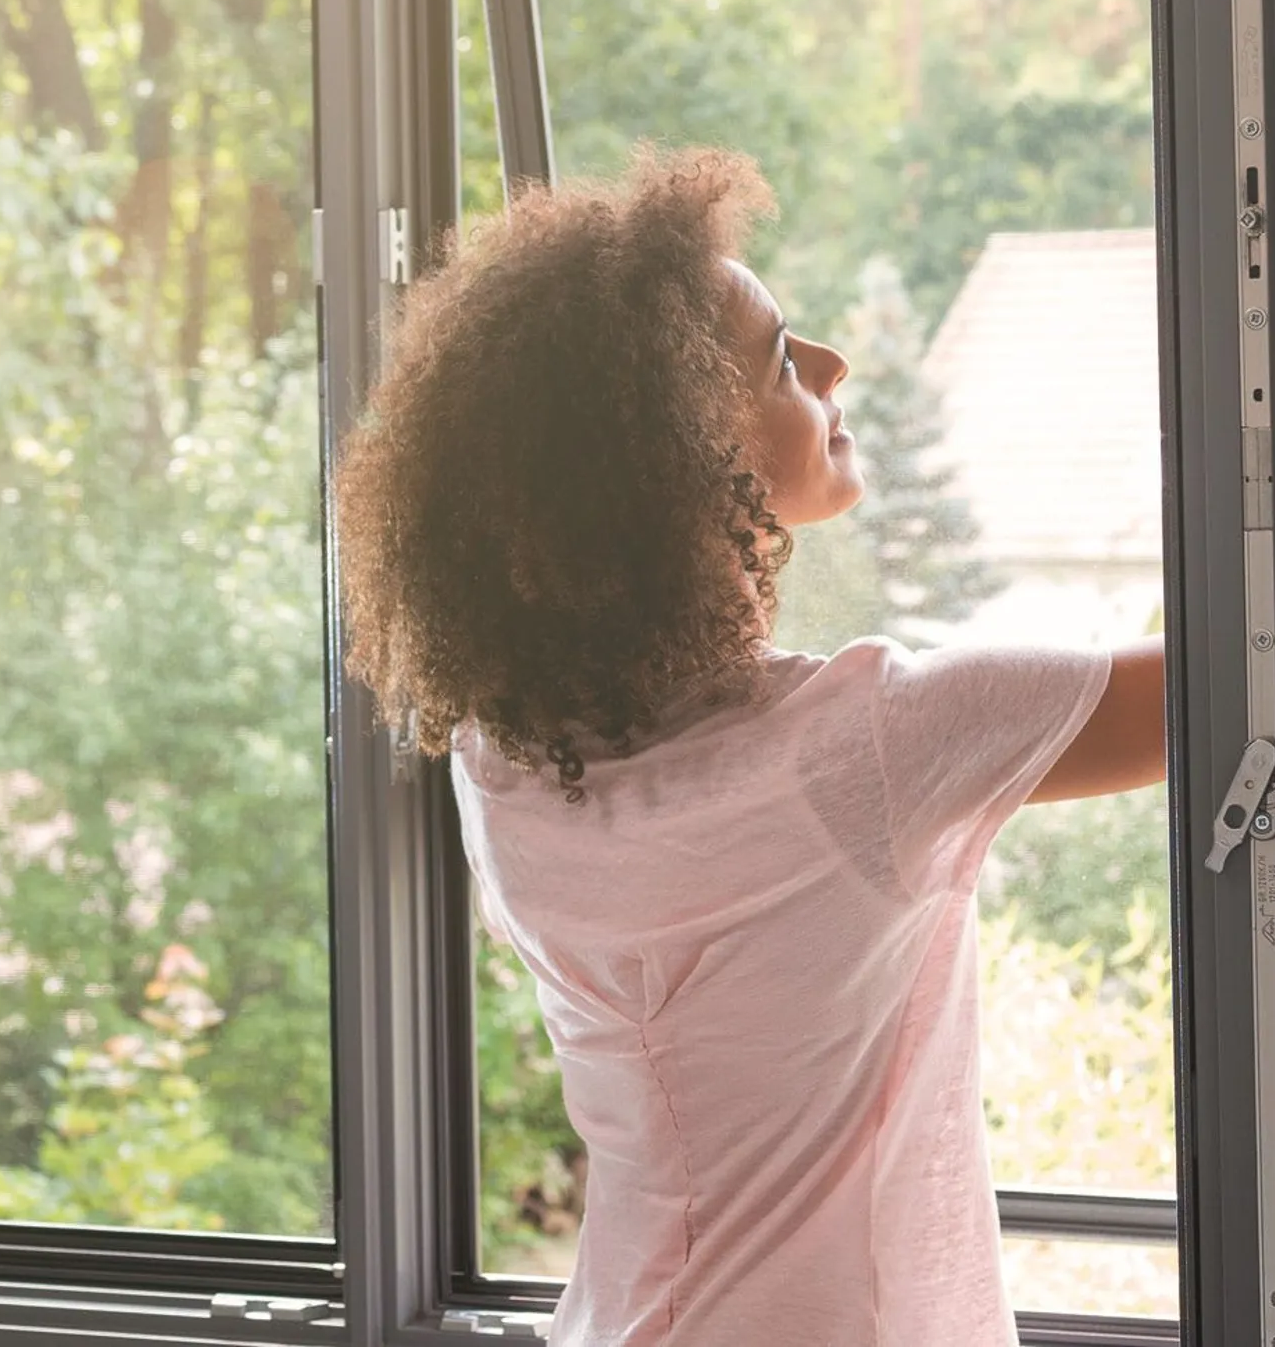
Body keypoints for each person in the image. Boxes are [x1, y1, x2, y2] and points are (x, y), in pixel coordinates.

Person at [330, 144, 1165, 1346]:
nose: (830, 364)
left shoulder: (504, 762)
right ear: (689, 457)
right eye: (782, 355)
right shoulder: (853, 755)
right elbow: (1254, 678)